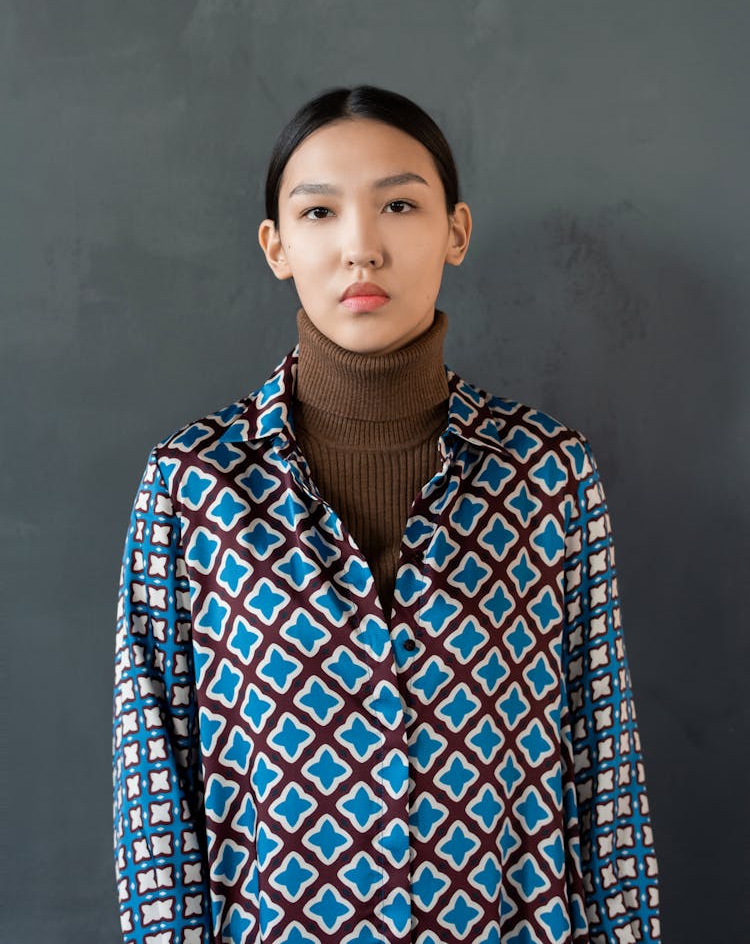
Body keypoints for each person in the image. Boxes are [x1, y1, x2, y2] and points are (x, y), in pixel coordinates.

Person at [112, 85, 661, 944]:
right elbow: (156, 798)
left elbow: (606, 775)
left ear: (456, 230)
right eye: (320, 211)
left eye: (399, 204)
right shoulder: (193, 486)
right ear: (276, 245)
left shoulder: (547, 474)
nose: (360, 246)